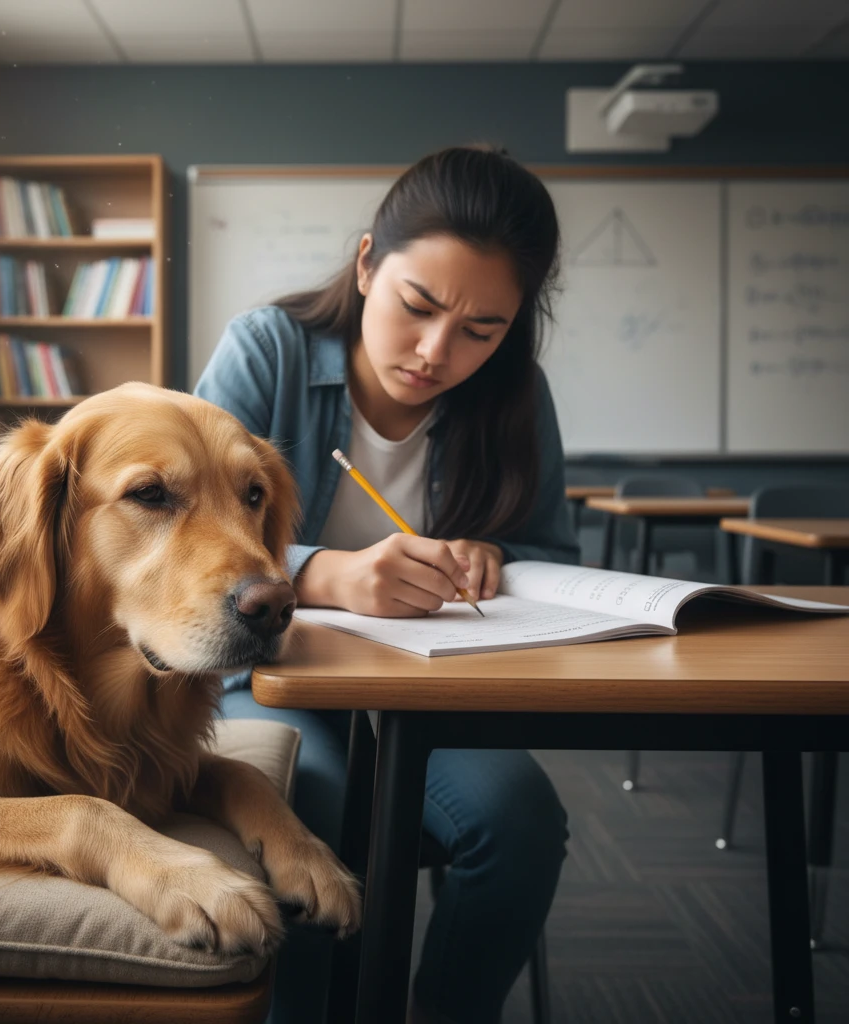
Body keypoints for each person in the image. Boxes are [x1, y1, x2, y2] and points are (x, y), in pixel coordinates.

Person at [195, 145, 577, 1024]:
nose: (437, 351)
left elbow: (550, 550)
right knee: (313, 807)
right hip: (277, 672)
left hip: (431, 684)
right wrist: (324, 574)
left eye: (483, 329)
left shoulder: (517, 398)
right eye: (419, 306)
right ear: (368, 264)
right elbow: (193, 544)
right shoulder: (270, 352)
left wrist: (497, 558)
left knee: (518, 826)